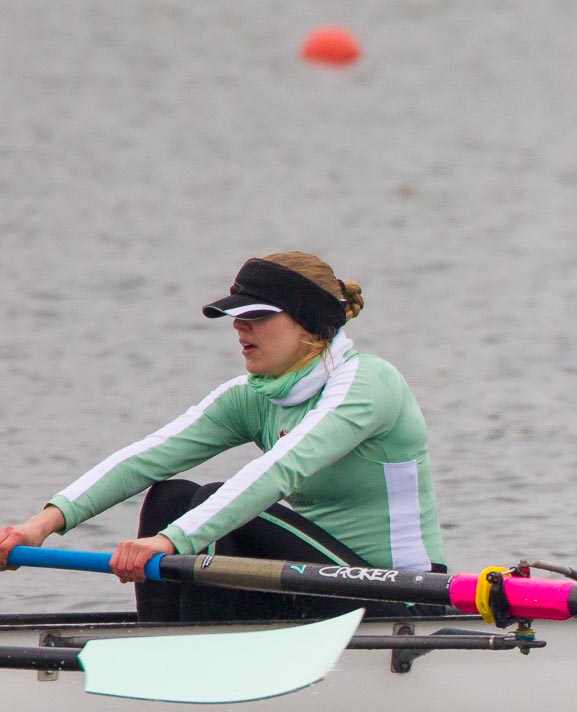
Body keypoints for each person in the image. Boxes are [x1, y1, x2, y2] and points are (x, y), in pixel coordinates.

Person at [0, 253, 448, 621]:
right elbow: (146, 457)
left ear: (309, 323)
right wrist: (39, 525)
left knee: (212, 503)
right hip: (309, 587)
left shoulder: (368, 383)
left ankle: (199, 657)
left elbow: (281, 468)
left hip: (402, 597)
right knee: (171, 495)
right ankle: (163, 646)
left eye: (255, 315)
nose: (238, 326)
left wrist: (171, 542)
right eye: (235, 315)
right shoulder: (253, 396)